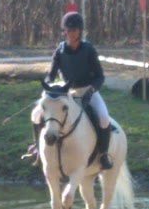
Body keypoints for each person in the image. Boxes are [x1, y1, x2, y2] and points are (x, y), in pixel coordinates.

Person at [40, 11, 113, 169]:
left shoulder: (88, 49)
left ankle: (104, 154)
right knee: (42, 113)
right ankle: (38, 150)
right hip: (67, 92)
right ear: (64, 31)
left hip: (88, 90)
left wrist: (91, 90)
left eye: (74, 30)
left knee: (103, 118)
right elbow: (51, 74)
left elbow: (100, 76)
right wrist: (47, 86)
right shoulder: (60, 51)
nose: (71, 34)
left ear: (80, 31)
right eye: (68, 30)